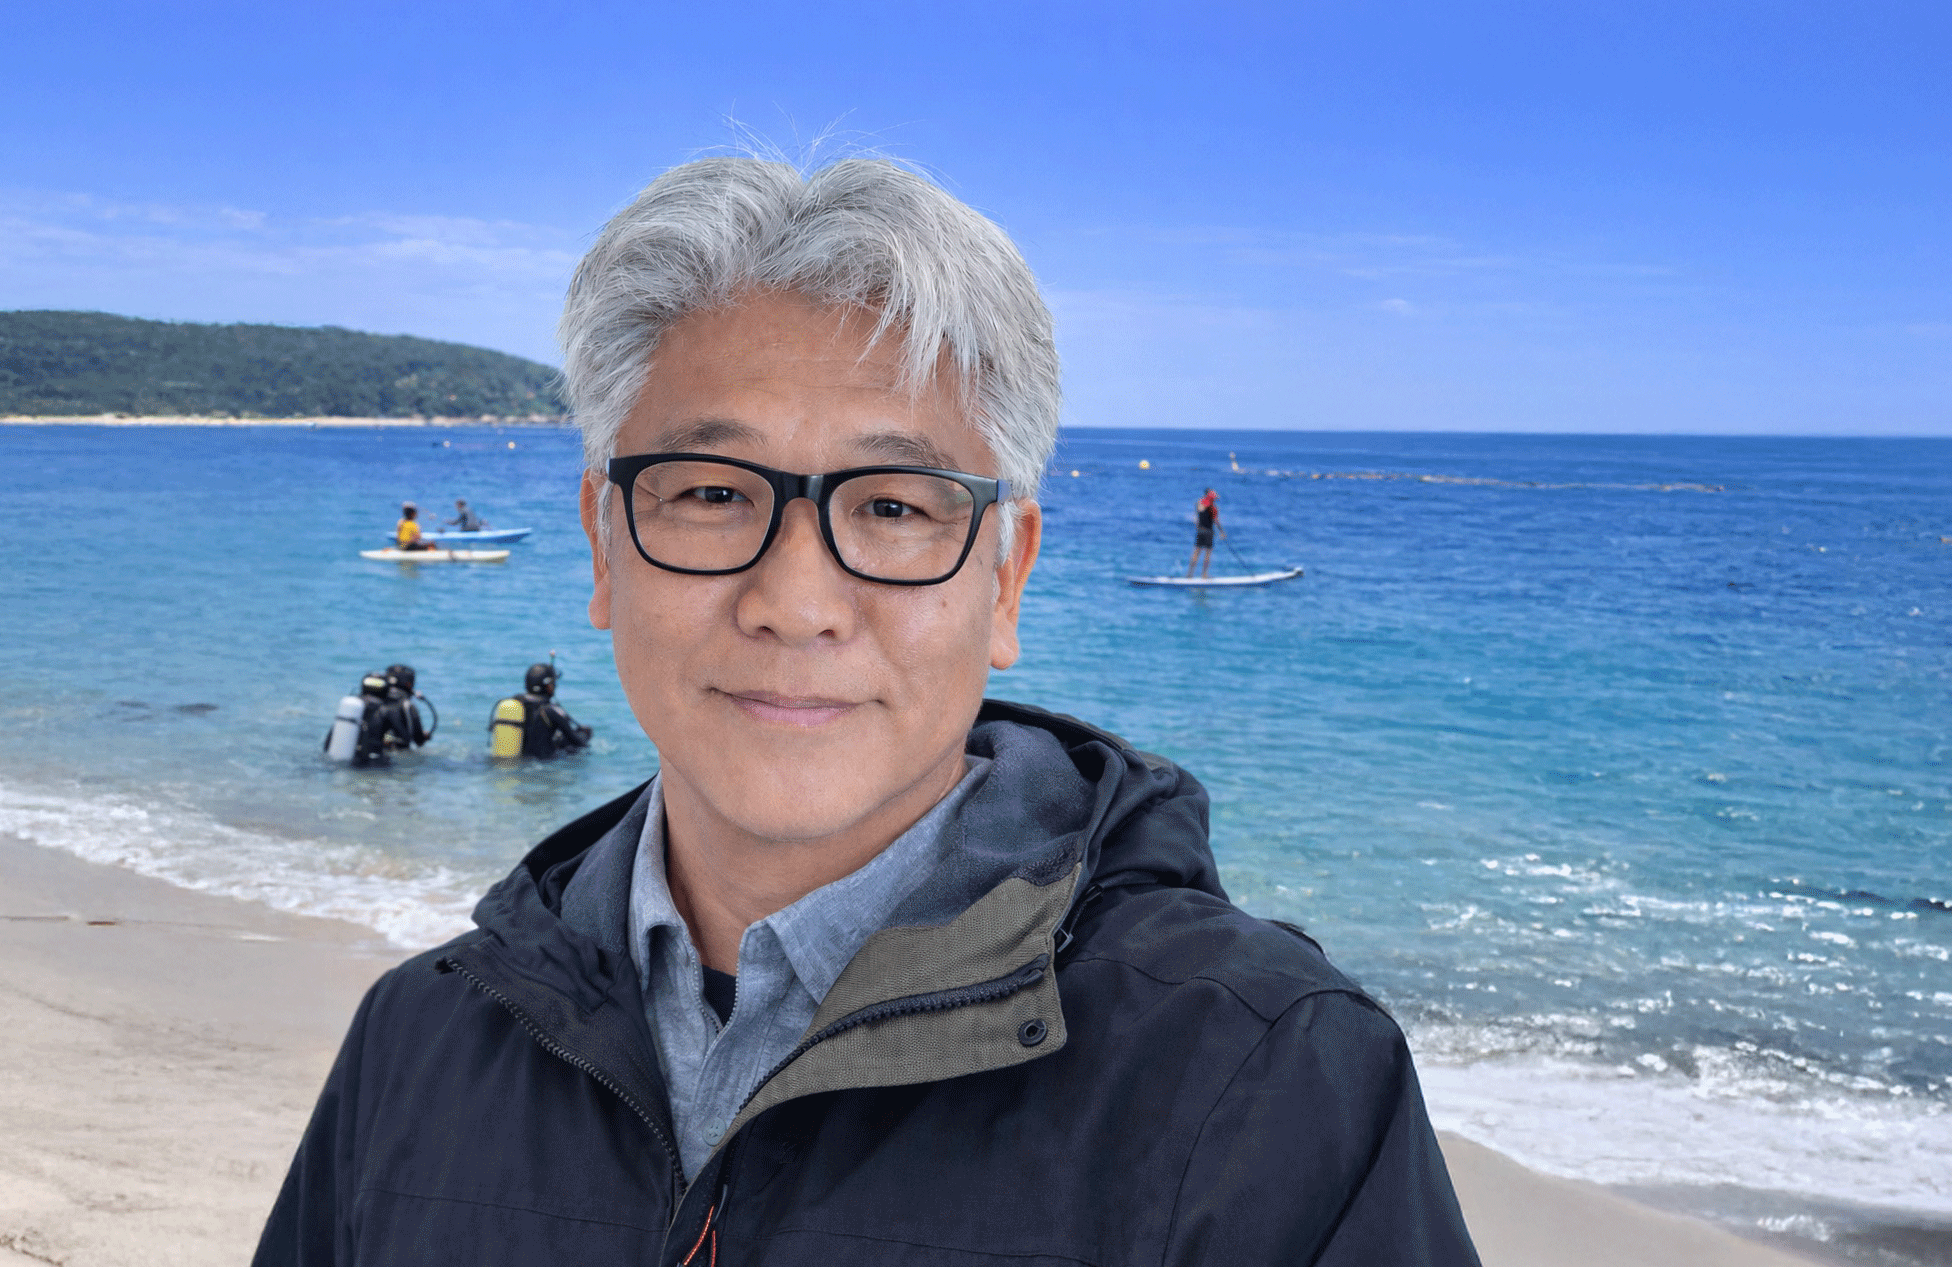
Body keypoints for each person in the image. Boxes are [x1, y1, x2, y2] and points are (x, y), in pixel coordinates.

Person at [256, 158, 1479, 1265]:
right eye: (711, 493)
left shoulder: (1265, 1081)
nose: (796, 603)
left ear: (1005, 577)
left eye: (894, 506)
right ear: (603, 545)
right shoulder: (423, 1041)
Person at [488, 660, 593, 757]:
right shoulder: (551, 710)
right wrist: (585, 734)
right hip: (542, 765)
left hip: (514, 759)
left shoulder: (514, 703)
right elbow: (578, 743)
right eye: (552, 683)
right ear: (548, 686)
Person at [1188, 486, 1219, 578]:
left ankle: (1189, 574)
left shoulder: (1199, 504)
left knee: (1196, 553)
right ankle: (1204, 575)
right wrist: (1222, 532)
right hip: (1208, 531)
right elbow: (1216, 521)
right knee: (1207, 554)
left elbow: (1198, 514)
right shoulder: (1213, 508)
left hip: (1200, 531)